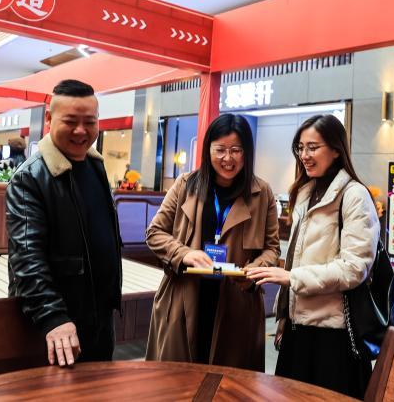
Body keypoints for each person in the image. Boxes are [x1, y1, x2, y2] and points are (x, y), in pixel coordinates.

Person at [247, 114, 379, 398]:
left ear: (336, 149)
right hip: (298, 330)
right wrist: (284, 316)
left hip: (334, 334)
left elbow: (355, 268)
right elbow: (296, 255)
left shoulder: (354, 195)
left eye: (313, 147)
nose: (304, 155)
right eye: (300, 148)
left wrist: (291, 278)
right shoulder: (305, 192)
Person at [145, 113, 280, 371]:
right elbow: (155, 232)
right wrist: (183, 253)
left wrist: (254, 270)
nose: (228, 158)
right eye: (220, 150)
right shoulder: (185, 185)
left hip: (237, 301)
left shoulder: (262, 193)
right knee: (178, 379)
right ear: (208, 150)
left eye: (236, 150)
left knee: (228, 383)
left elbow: (272, 248)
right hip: (184, 297)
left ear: (247, 152)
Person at [6, 79, 122, 367]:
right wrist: (53, 316)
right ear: (49, 119)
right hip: (54, 327)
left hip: (99, 318)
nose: (81, 131)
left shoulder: (95, 165)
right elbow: (27, 257)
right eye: (70, 121)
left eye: (89, 122)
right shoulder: (29, 178)